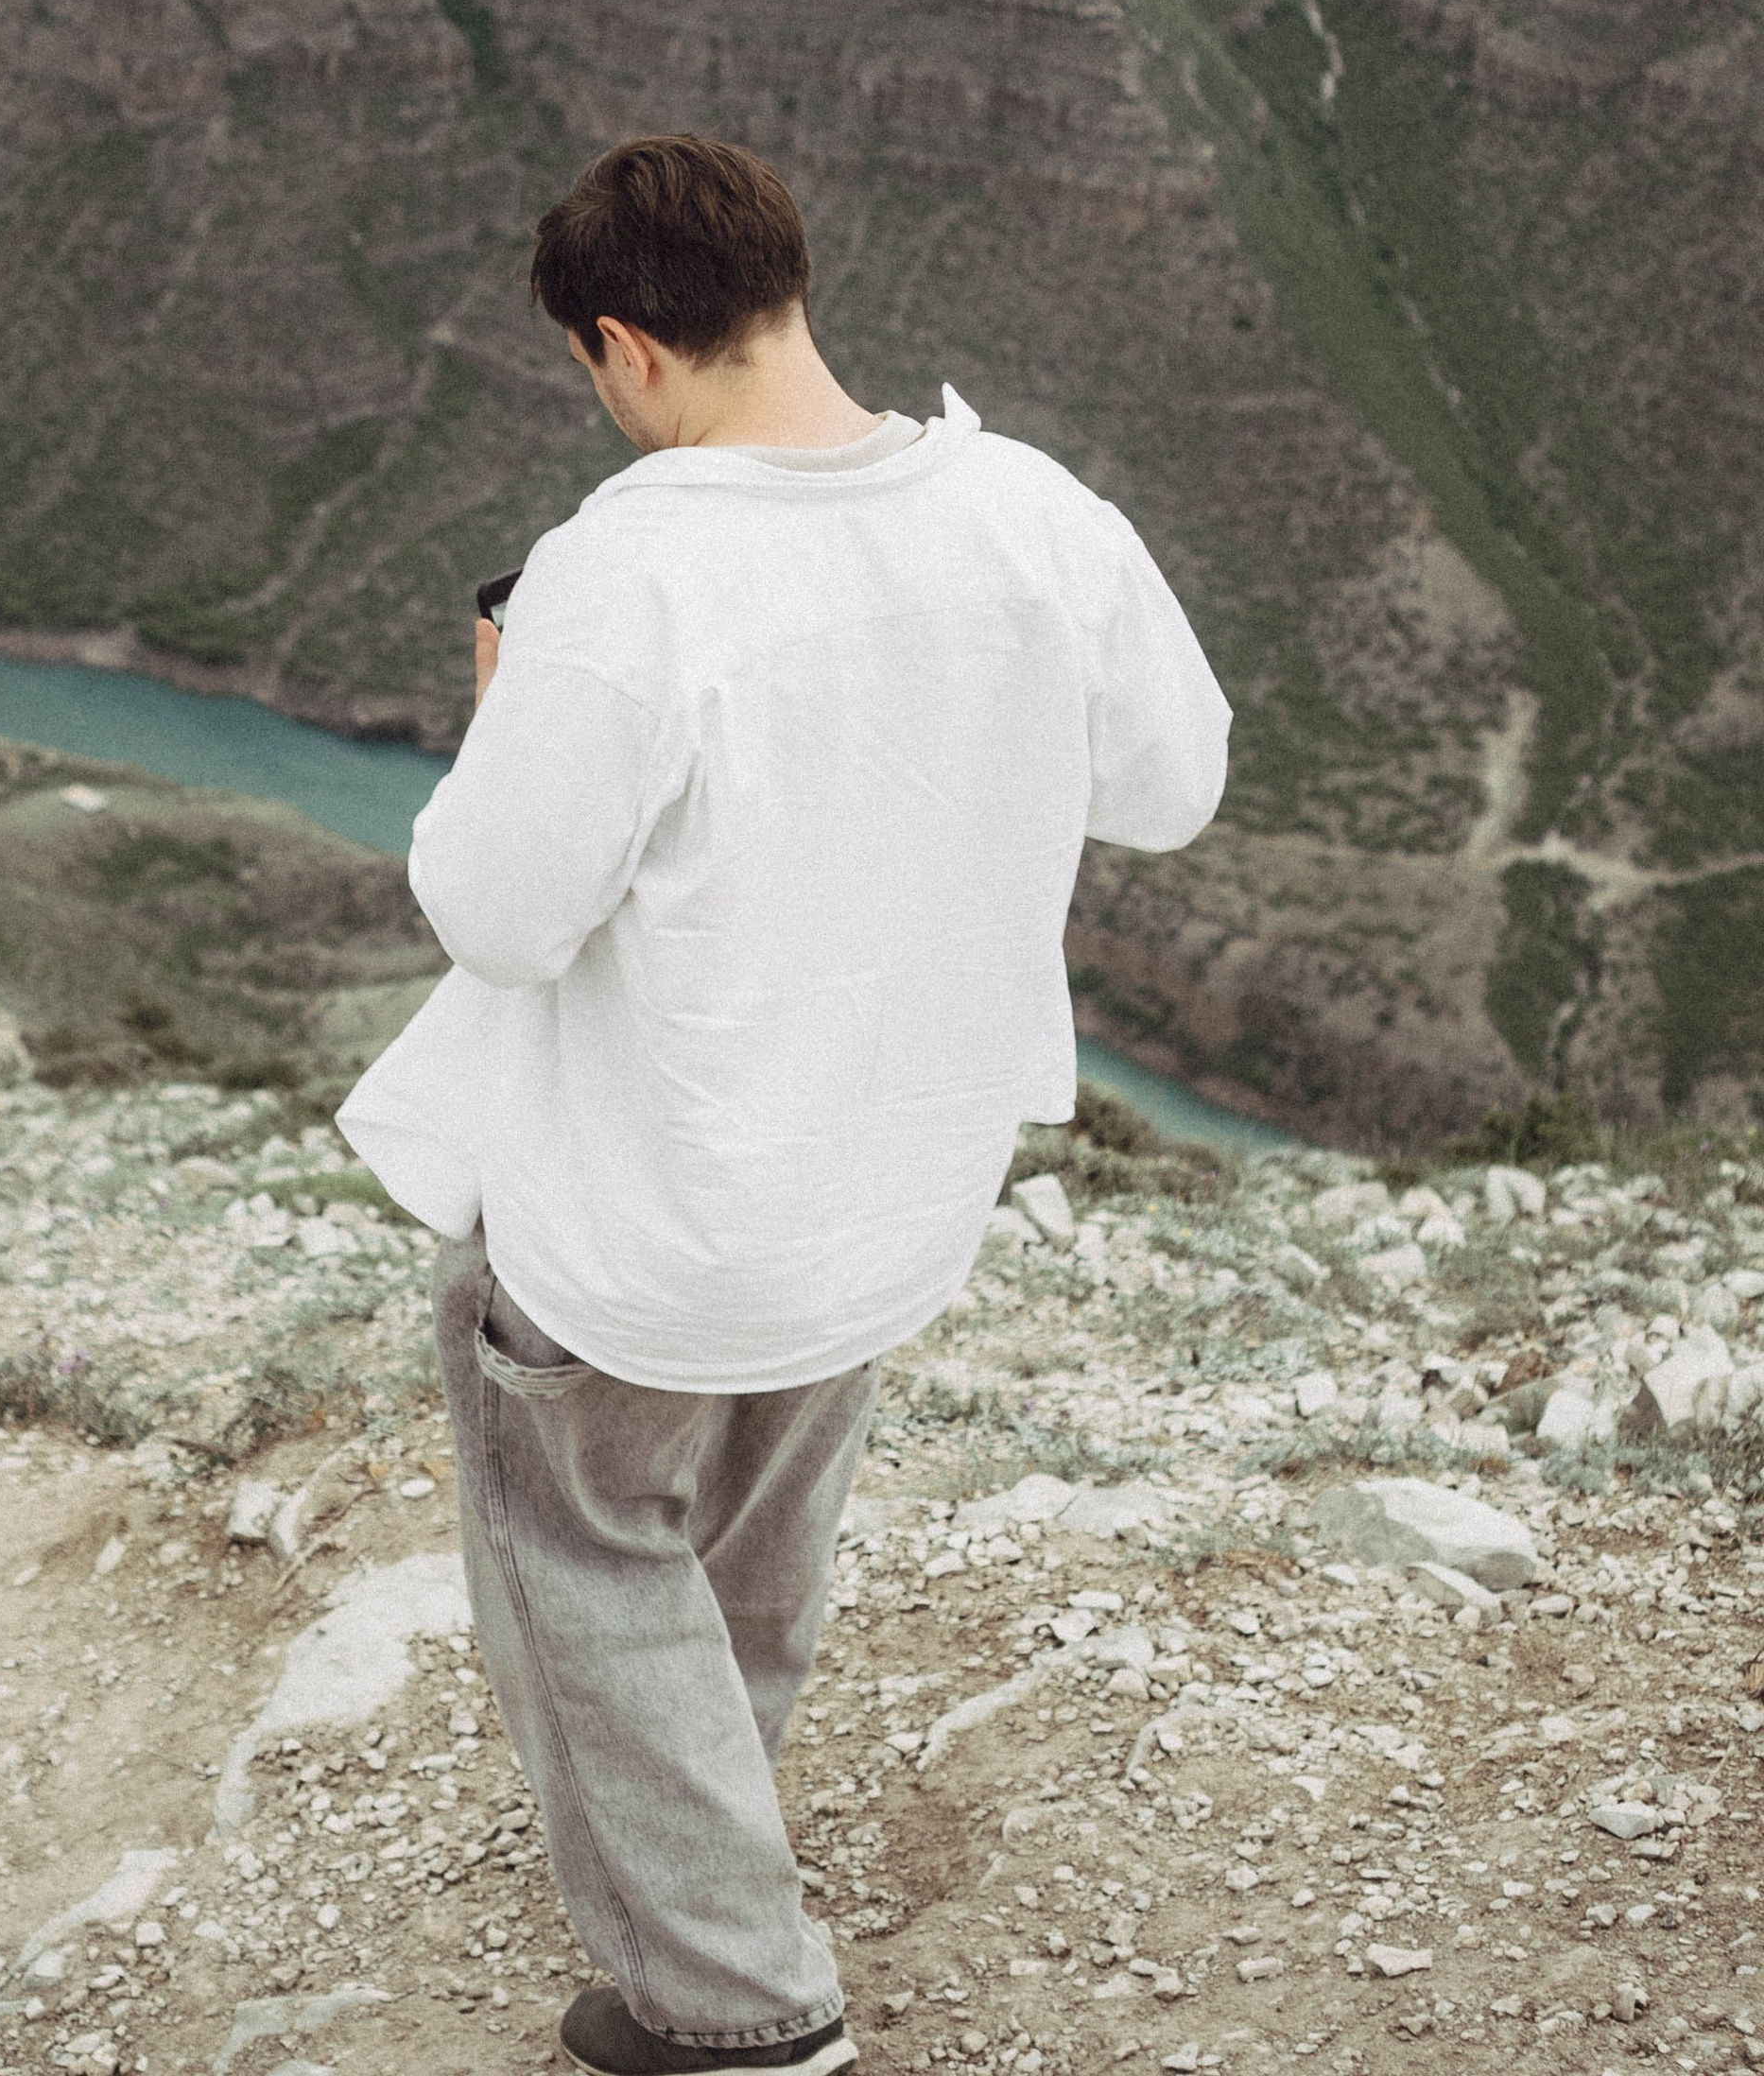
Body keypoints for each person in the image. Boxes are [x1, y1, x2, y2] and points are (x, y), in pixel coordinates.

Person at [338, 135, 1231, 2076]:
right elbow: (1171, 789)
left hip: (649, 1217)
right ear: (787, 285)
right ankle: (704, 1871)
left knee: (589, 1558)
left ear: (621, 345)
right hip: (889, 1193)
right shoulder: (1032, 510)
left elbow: (498, 913)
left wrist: (506, 710)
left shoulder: (626, 567)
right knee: (742, 1563)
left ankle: (737, 2012)